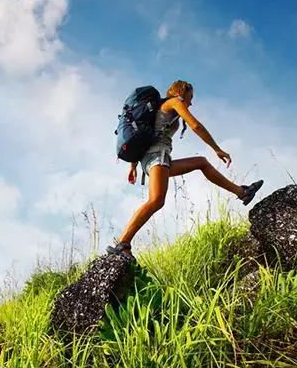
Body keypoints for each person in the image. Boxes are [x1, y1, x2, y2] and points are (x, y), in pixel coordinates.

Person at [107, 80, 263, 260]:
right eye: (191, 97)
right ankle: (123, 243)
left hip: (157, 157)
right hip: (157, 156)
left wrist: (133, 166)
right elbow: (195, 125)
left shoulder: (161, 106)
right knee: (156, 200)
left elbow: (145, 134)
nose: (191, 102)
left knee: (201, 162)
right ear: (182, 92)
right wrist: (217, 149)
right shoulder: (174, 102)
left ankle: (242, 192)